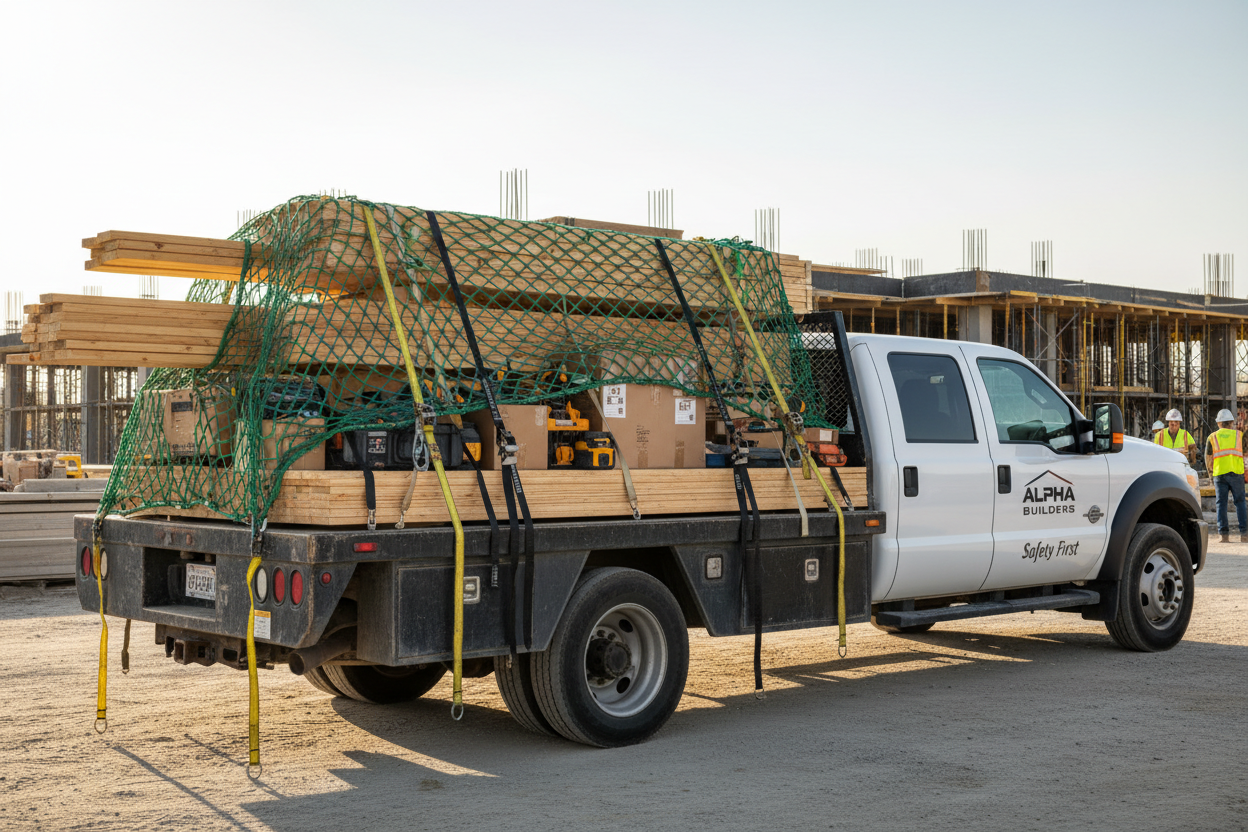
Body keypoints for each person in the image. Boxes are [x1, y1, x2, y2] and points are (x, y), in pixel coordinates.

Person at [1205, 408, 1247, 543]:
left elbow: (1208, 458)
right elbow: (1245, 453)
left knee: (1221, 504)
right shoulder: (1239, 435)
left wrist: (1210, 475)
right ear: (1231, 423)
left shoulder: (1212, 437)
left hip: (1219, 474)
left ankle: (1223, 535)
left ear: (1218, 423)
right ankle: (1244, 534)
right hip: (1237, 473)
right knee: (1240, 503)